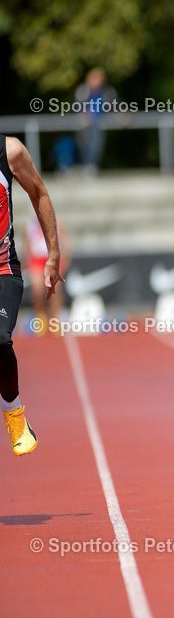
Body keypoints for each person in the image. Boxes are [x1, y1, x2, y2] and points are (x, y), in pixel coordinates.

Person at [1, 135, 64, 456]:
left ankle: (14, 414)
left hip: (2, 269)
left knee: (0, 339)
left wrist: (53, 255)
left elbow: (38, 192)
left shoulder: (9, 151)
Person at [74, 67, 118, 174]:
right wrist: (85, 114)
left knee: (96, 142)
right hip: (83, 124)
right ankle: (81, 165)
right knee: (82, 143)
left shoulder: (107, 91)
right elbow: (76, 106)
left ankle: (91, 165)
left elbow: (116, 104)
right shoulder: (83, 90)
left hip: (99, 123)